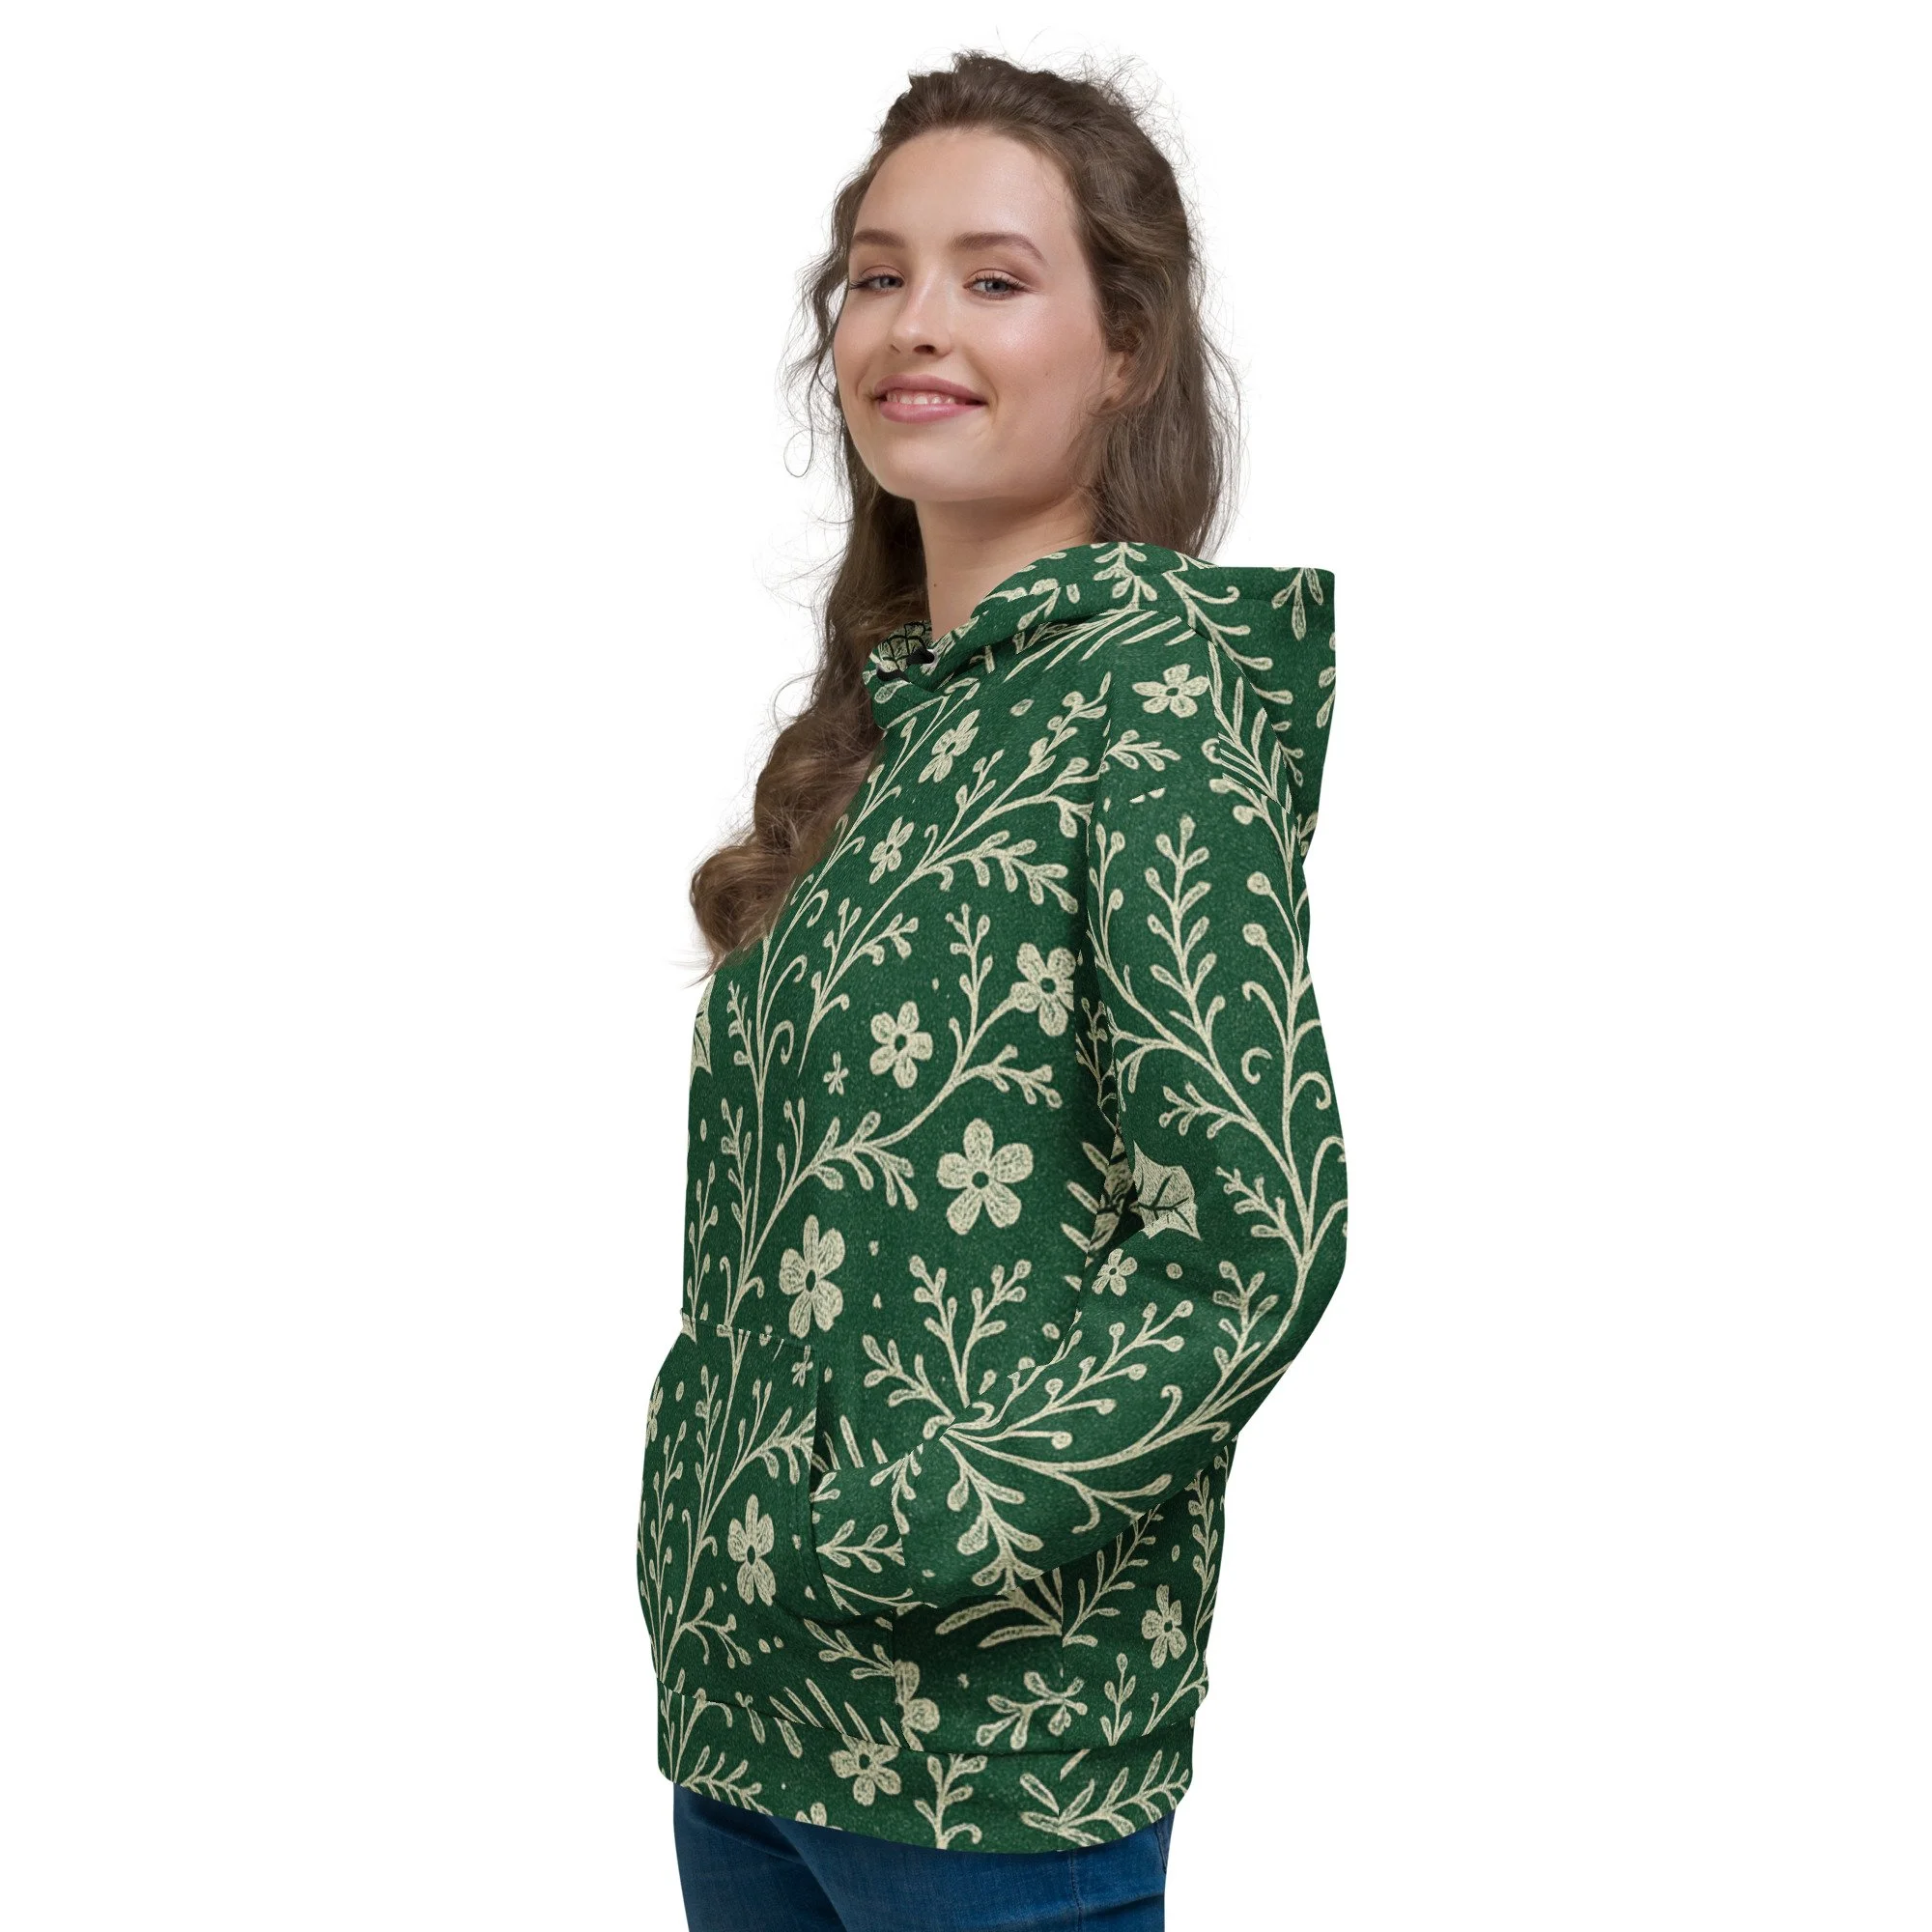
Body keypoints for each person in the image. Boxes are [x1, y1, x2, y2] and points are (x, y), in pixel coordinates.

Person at [638, 48, 1349, 1932]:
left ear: (1127, 350)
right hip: (751, 1719)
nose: (915, 323)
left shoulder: (1147, 698)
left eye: (994, 276)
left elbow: (1257, 1231)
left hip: (987, 1753)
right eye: (878, 274)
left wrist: (929, 1523)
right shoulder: (889, 738)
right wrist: (714, 1534)